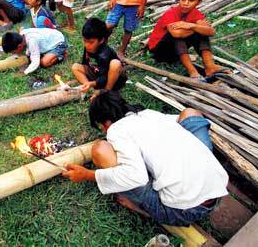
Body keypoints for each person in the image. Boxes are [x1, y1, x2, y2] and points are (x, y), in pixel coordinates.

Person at [62, 91, 229, 227]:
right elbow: (181, 120)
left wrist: (87, 175)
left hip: (183, 210)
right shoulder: (149, 114)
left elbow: (136, 177)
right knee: (190, 113)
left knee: (101, 150)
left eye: (101, 127)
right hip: (218, 188)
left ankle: (141, 208)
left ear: (106, 122)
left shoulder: (116, 129)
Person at [147, 0, 228, 81]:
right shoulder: (171, 13)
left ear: (199, 2)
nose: (185, 3)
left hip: (176, 53)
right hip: (160, 52)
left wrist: (191, 25)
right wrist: (197, 28)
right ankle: (192, 72)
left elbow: (211, 32)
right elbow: (176, 34)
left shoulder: (196, 14)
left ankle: (210, 66)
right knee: (181, 35)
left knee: (201, 33)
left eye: (191, 0)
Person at [72, 18, 127, 96]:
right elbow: (85, 64)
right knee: (75, 67)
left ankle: (106, 91)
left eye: (91, 42)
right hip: (97, 73)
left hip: (111, 78)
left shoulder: (104, 54)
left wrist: (94, 83)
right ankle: (88, 86)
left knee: (115, 64)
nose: (86, 45)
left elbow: (105, 76)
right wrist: (91, 83)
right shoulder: (88, 47)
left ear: (101, 40)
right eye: (85, 41)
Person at [1, 28, 67, 74]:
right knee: (30, 55)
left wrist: (25, 72)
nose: (14, 54)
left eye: (14, 52)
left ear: (19, 46)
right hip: (51, 37)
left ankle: (62, 55)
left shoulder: (32, 41)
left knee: (44, 62)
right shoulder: (21, 35)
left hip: (58, 42)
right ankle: (48, 53)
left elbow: (35, 62)